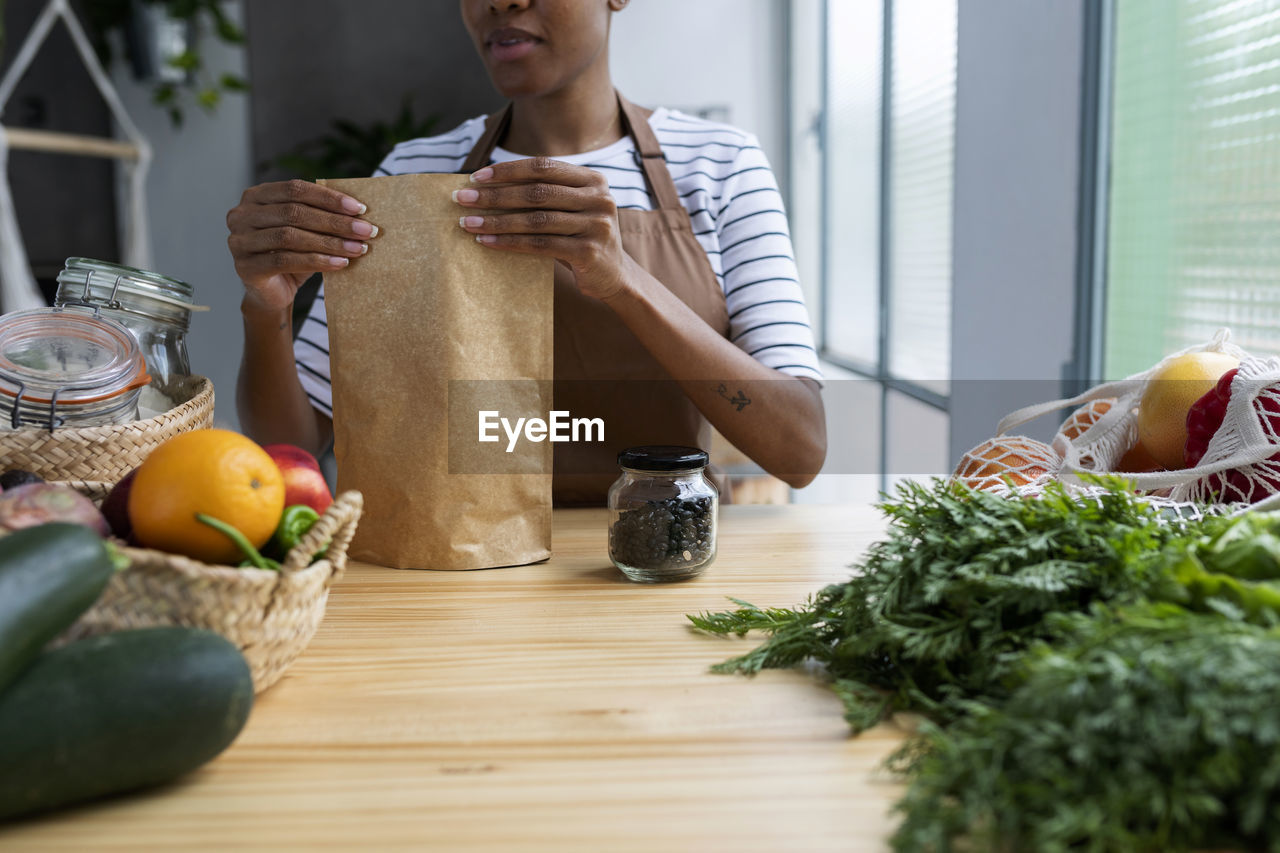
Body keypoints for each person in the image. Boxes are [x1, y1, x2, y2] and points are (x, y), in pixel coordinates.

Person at [228, 0, 826, 505]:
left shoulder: (718, 166)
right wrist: (266, 309)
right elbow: (297, 449)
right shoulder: (412, 174)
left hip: (661, 563)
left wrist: (623, 281)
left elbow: (798, 449)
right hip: (460, 573)